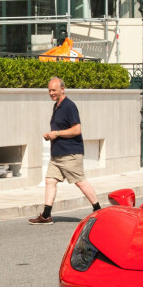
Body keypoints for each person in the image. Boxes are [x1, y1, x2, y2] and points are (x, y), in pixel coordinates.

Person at [29, 77, 102, 224]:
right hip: (57, 154)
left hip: (70, 153)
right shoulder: (57, 106)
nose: (51, 93)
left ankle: (98, 210)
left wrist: (55, 134)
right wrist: (51, 136)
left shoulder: (69, 106)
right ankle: (46, 215)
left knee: (80, 182)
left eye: (54, 90)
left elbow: (77, 129)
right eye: (49, 90)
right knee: (50, 180)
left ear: (63, 89)